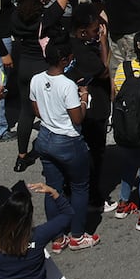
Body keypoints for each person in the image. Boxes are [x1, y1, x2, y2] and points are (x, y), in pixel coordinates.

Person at [30, 40, 101, 251]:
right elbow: (78, 118)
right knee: (79, 187)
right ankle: (77, 236)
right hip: (68, 141)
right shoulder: (68, 85)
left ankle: (57, 238)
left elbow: (37, 111)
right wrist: (84, 97)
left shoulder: (36, 79)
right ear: (63, 60)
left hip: (45, 138)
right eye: (70, 58)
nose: (72, 60)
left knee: (52, 188)